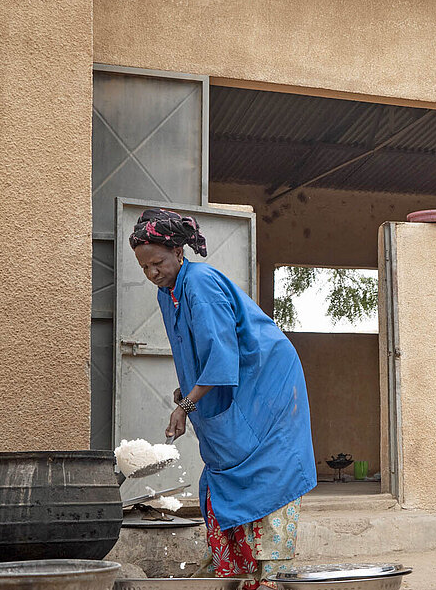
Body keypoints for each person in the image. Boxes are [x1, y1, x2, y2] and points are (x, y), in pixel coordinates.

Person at [129, 208, 316, 590]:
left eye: (158, 262)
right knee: (224, 473)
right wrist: (189, 393)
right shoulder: (169, 294)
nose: (152, 273)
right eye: (144, 267)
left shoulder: (199, 283)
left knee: (267, 472)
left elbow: (222, 356)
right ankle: (231, 570)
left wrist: (186, 406)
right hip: (232, 388)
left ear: (179, 252)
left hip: (266, 385)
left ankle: (265, 576)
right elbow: (192, 355)